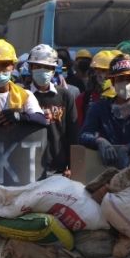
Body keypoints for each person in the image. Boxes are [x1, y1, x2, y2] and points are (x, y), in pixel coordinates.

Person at [80, 55, 130, 168]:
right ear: (113, 82)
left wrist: (128, 148)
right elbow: (84, 135)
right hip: (105, 171)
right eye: (121, 79)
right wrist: (99, 141)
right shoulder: (98, 108)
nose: (126, 83)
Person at [27, 45, 78, 177]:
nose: (42, 71)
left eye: (48, 67)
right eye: (37, 66)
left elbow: (72, 133)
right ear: (30, 68)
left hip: (58, 168)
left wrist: (72, 165)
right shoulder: (22, 95)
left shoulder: (65, 95)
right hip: (28, 167)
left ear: (54, 70)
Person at [76, 49, 119, 127]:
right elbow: (80, 128)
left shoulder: (125, 97)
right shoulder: (84, 98)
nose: (101, 75)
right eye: (97, 70)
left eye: (105, 70)